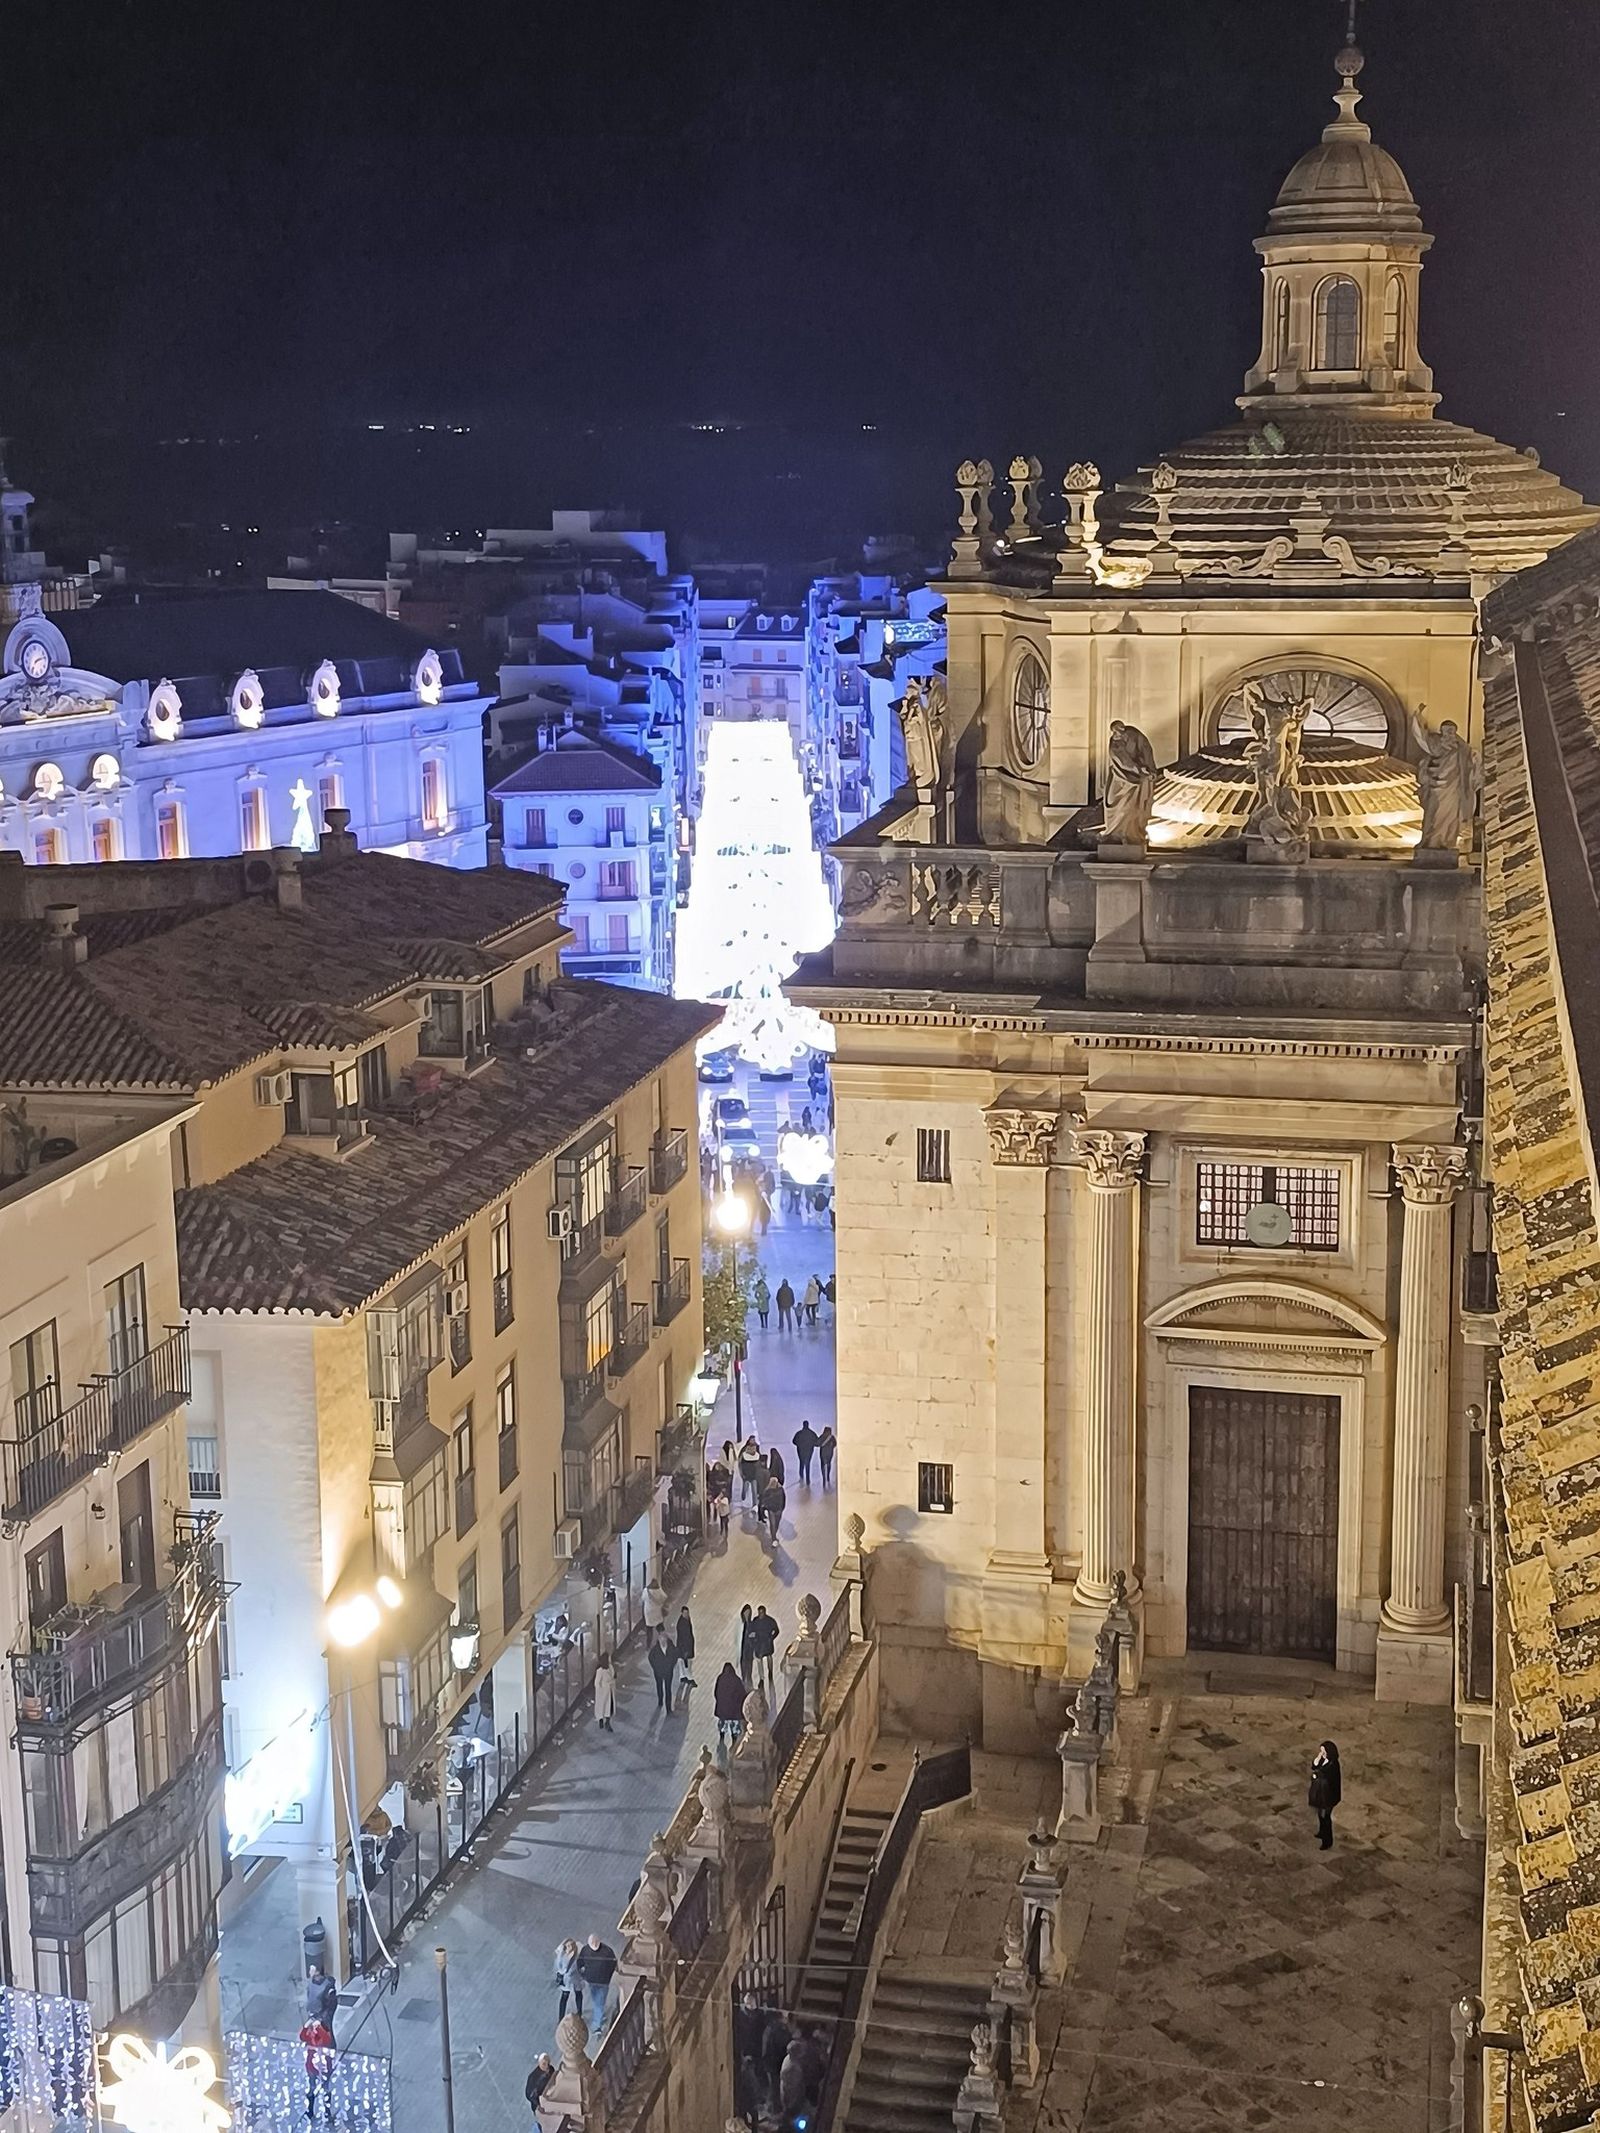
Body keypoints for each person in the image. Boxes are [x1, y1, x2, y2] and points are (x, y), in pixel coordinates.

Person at [577, 1932, 619, 2031]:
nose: (595, 1944)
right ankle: (599, 2016)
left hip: (603, 1983)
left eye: (596, 1941)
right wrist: (584, 1976)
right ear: (588, 1943)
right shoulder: (585, 1950)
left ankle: (597, 2024)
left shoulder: (607, 1951)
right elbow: (580, 1963)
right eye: (592, 1942)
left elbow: (613, 1963)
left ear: (599, 1940)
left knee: (598, 2003)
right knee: (596, 2001)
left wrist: (608, 1976)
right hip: (591, 1982)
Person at [1308, 1740, 1342, 1850]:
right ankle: (1322, 1832)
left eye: (1323, 1751)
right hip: (1322, 1792)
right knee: (1320, 1814)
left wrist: (1316, 1775)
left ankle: (1327, 1840)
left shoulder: (1333, 1764)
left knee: (1325, 1816)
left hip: (1329, 1795)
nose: (1322, 1753)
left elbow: (1322, 1773)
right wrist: (1318, 1757)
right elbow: (1314, 1766)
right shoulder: (1324, 1759)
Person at [299, 2018, 334, 2123]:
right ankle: (310, 2110)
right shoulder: (310, 2034)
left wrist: (319, 2028)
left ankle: (327, 2111)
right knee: (311, 2089)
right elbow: (302, 2037)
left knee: (326, 2089)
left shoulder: (324, 2033)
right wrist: (306, 2027)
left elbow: (326, 2040)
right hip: (312, 2067)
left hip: (323, 2068)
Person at [761, 2010, 793, 2114]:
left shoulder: (771, 2029)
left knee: (775, 2086)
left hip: (774, 2063)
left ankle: (773, 2107)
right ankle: (774, 2109)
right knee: (775, 2087)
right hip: (775, 2063)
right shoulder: (778, 2030)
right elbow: (781, 2046)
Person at [715, 1660, 748, 1746]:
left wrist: (720, 1702)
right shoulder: (736, 1680)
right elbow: (742, 1693)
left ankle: (722, 1736)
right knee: (734, 1726)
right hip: (734, 1710)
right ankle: (734, 1739)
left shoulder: (720, 1678)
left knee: (722, 1723)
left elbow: (716, 1692)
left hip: (723, 1709)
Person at [749, 1605, 778, 1697]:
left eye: (762, 1612)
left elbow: (776, 1630)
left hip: (766, 1643)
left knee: (768, 1658)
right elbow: (751, 1631)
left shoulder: (769, 1621)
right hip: (760, 1643)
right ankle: (762, 1677)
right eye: (760, 1612)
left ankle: (770, 1672)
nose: (761, 1614)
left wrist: (771, 1638)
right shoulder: (757, 1621)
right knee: (760, 1660)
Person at [648, 1626, 678, 1713]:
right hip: (659, 1672)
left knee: (668, 1689)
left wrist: (672, 1665)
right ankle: (660, 1700)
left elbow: (675, 1655)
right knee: (659, 1686)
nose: (663, 1641)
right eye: (661, 1639)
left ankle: (668, 1708)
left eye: (664, 1639)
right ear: (659, 1640)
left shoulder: (671, 1646)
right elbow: (651, 1658)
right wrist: (655, 1668)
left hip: (668, 1672)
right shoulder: (655, 1650)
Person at [554, 1937, 584, 2019]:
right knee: (564, 1997)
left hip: (576, 1979)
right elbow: (559, 1967)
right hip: (567, 1981)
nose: (569, 1947)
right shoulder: (562, 1955)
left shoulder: (577, 1955)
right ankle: (561, 2017)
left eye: (571, 1945)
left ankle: (579, 2012)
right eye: (567, 1945)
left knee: (578, 1994)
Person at [305, 1963, 338, 2033]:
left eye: (311, 1970)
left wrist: (320, 2019)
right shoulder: (310, 1982)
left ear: (317, 1972)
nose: (309, 1972)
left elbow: (331, 2006)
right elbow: (310, 1997)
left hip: (323, 2017)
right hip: (313, 2014)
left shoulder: (328, 1985)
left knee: (325, 2035)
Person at [738, 1437, 765, 1508]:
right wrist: (741, 1472)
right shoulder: (744, 1450)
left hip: (754, 1474)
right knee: (745, 1488)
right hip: (746, 1473)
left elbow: (759, 1459)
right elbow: (740, 1462)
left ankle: (754, 1504)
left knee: (754, 1490)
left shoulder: (757, 1449)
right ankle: (743, 1498)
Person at [675, 1606, 697, 1692]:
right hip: (685, 1648)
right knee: (687, 1665)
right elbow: (683, 1638)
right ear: (681, 1613)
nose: (687, 1614)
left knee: (683, 1663)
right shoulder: (682, 1624)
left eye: (687, 1613)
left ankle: (683, 1677)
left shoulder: (685, 1620)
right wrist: (685, 1650)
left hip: (684, 1648)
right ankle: (689, 1679)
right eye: (685, 1613)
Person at [760, 1473, 786, 1543]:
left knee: (776, 1523)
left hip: (778, 1509)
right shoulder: (767, 1491)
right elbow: (764, 1500)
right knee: (773, 1524)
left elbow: (783, 1499)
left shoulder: (780, 1490)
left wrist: (782, 1508)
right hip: (772, 1510)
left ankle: (774, 1534)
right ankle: (773, 1538)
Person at [594, 1650, 616, 1731]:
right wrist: (600, 1690)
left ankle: (607, 1722)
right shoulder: (600, 1670)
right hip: (603, 1692)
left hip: (610, 1690)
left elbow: (613, 1676)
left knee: (609, 1707)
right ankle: (601, 1720)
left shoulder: (610, 1667)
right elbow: (597, 1683)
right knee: (603, 1706)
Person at [793, 1421, 818, 1485]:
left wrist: (799, 1444)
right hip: (809, 1451)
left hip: (800, 1451)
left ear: (803, 1425)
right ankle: (808, 1480)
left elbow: (794, 1441)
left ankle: (801, 1478)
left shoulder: (799, 1433)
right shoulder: (812, 1433)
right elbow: (816, 1442)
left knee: (801, 1464)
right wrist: (811, 1444)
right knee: (808, 1464)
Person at [738, 1602, 757, 1686]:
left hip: (748, 1652)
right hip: (743, 1652)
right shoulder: (743, 1625)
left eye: (748, 1614)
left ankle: (748, 1686)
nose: (747, 1616)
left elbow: (753, 1639)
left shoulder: (751, 1625)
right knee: (744, 1671)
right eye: (745, 1614)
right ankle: (744, 1684)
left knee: (748, 1672)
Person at [817, 1424, 836, 1489]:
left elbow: (817, 1443)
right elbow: (835, 1444)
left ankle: (824, 1478)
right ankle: (828, 1476)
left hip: (822, 1453)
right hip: (830, 1453)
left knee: (822, 1465)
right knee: (829, 1464)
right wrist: (831, 1447)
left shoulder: (822, 1436)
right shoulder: (832, 1437)